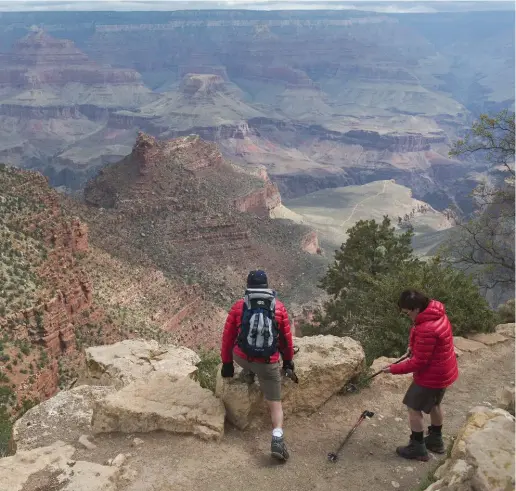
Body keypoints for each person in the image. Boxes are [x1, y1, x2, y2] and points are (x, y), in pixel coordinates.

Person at [220, 269, 294, 461]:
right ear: (266, 285)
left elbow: (227, 339)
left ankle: (248, 372)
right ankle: (277, 437)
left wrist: (227, 364)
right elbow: (286, 340)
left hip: (242, 358)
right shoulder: (278, 307)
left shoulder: (239, 307)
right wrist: (288, 362)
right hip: (268, 365)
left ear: (248, 286)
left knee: (244, 355)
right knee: (275, 404)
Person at [382, 290, 459, 461]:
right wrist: (413, 347)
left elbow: (419, 363)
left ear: (416, 308)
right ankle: (436, 440)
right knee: (435, 405)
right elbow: (423, 341)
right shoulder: (435, 315)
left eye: (407, 311)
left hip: (431, 375)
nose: (406, 315)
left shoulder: (427, 328)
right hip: (444, 371)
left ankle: (417, 448)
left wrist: (393, 369)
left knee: (413, 407)